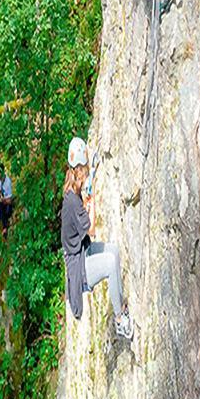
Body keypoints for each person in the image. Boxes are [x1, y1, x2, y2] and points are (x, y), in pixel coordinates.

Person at [60, 136, 133, 341]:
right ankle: (120, 321)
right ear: (79, 169)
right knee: (110, 263)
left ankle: (121, 307)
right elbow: (91, 229)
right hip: (78, 268)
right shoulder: (72, 200)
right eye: (85, 168)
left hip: (83, 251)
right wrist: (91, 204)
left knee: (114, 251)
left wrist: (87, 196)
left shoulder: (73, 190)